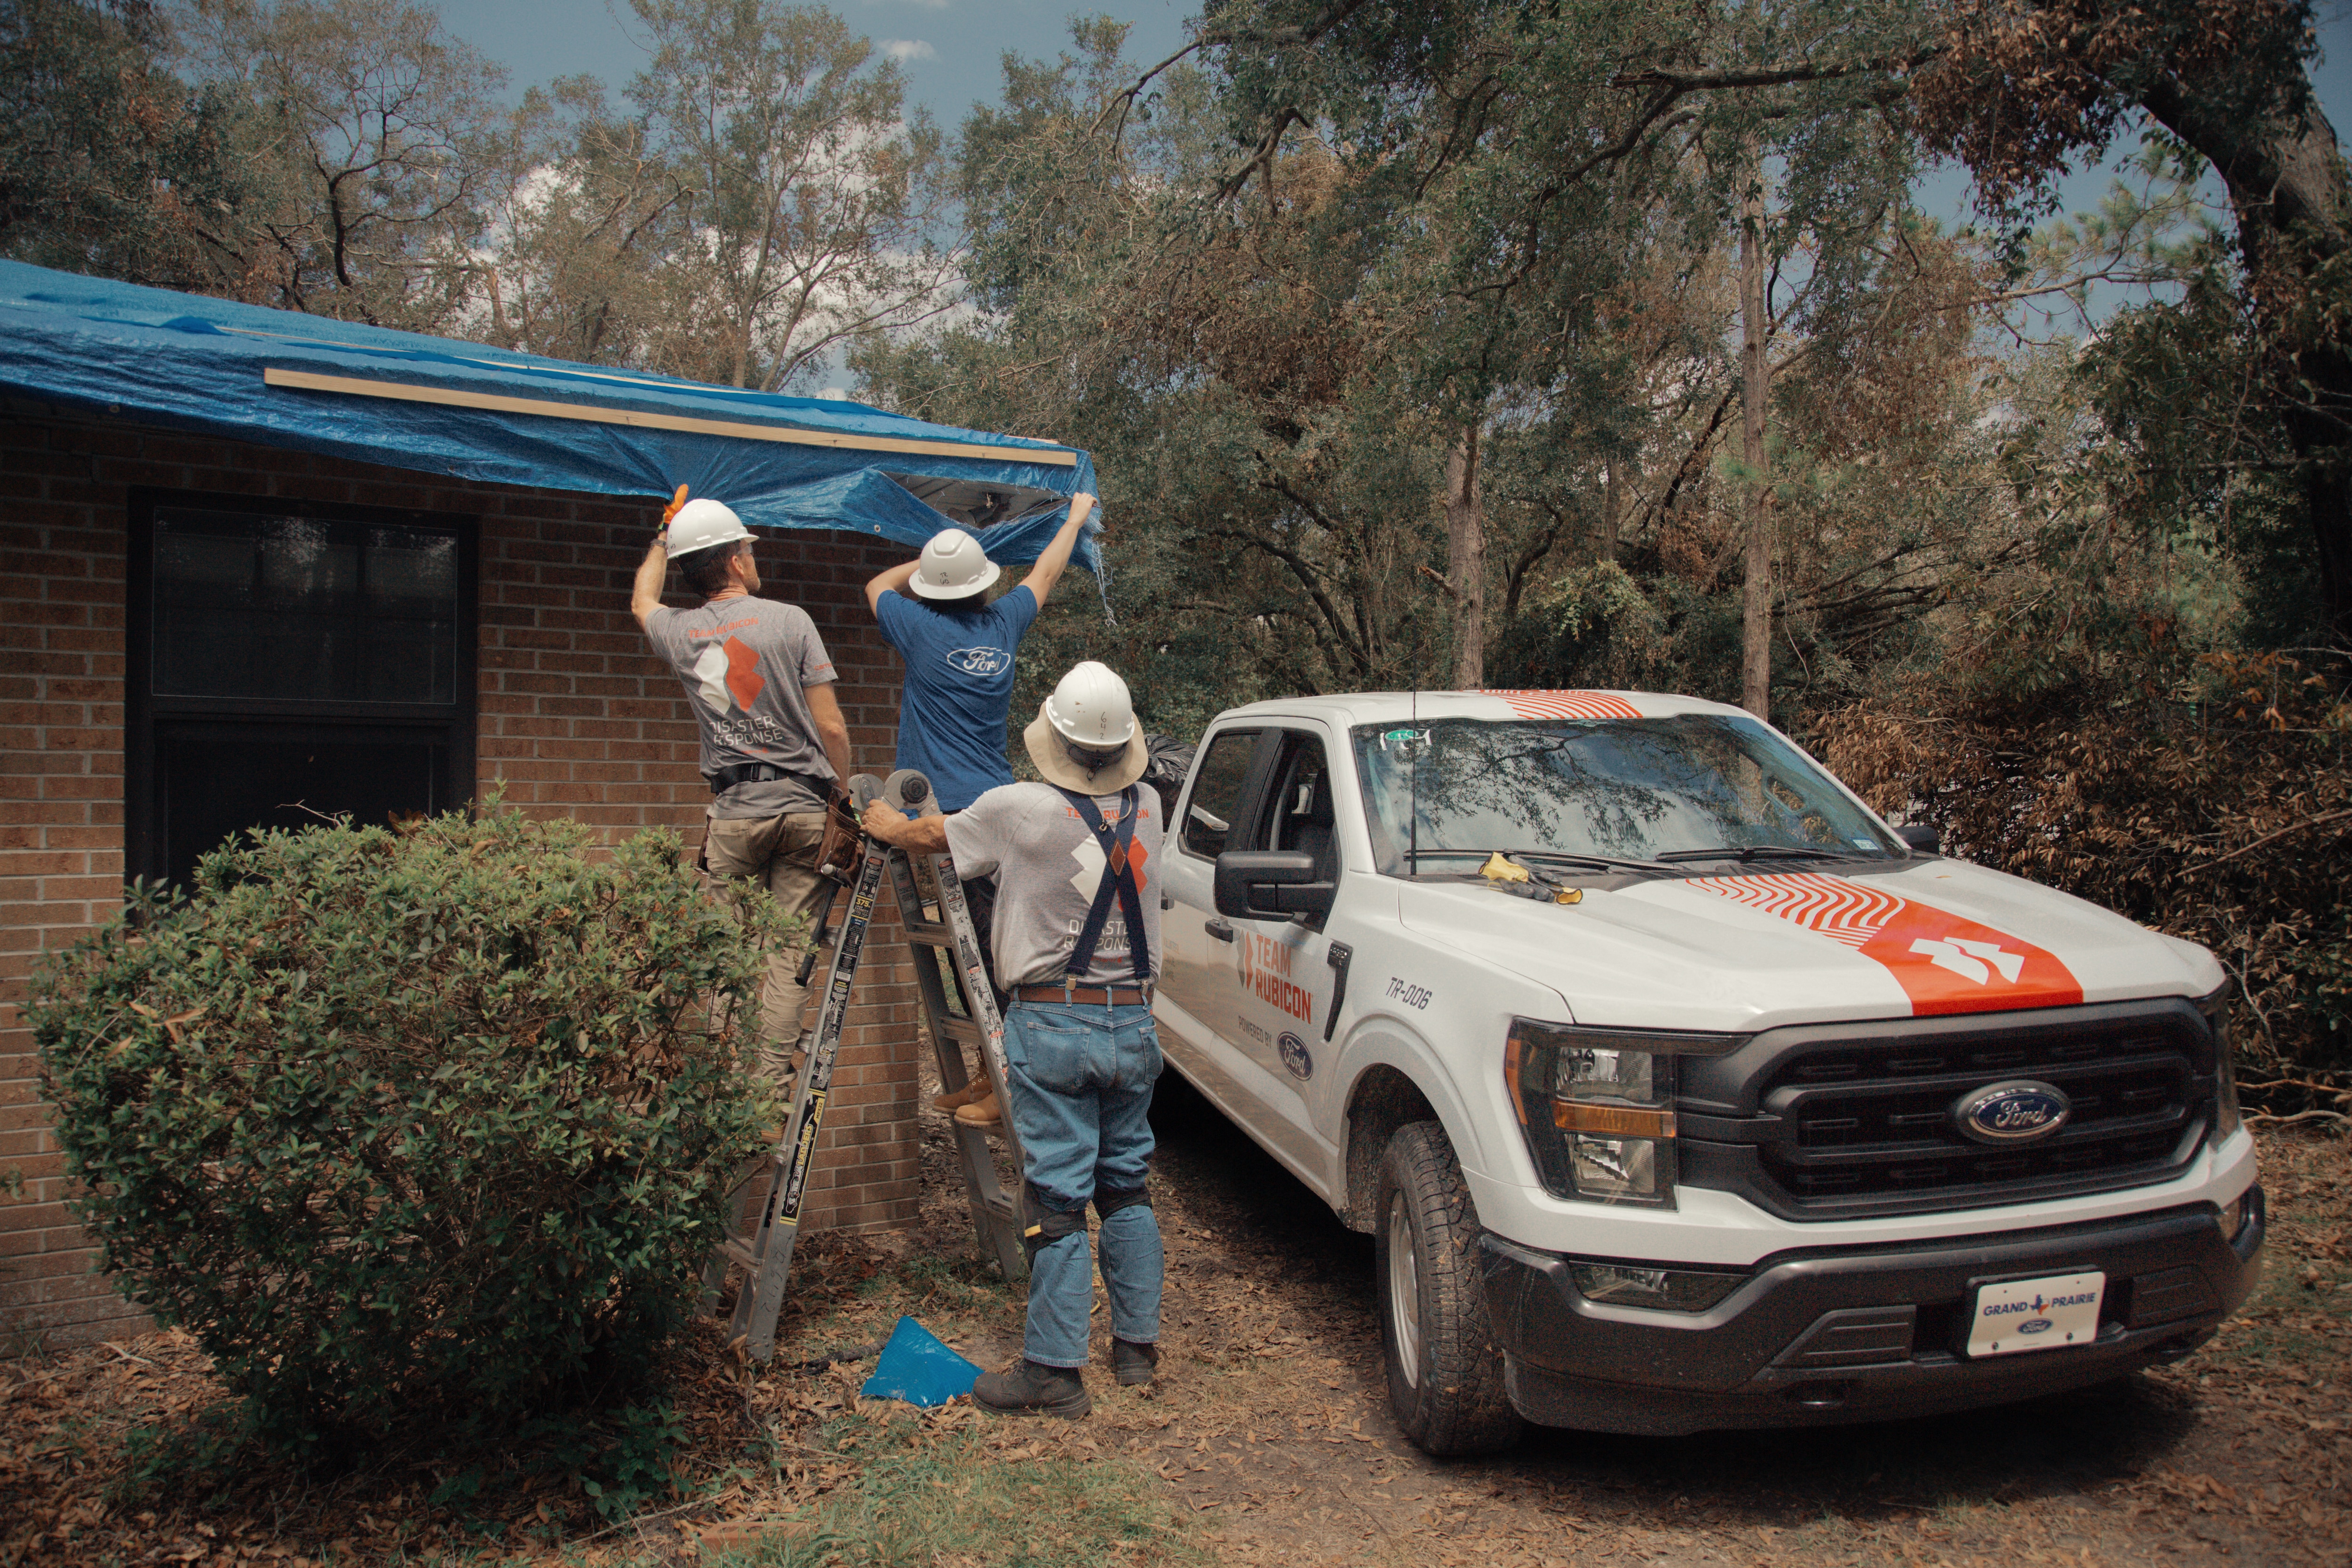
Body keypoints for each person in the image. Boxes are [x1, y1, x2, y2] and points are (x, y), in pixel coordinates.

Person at [861, 660, 1164, 1418]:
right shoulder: (1150, 805)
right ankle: (1136, 1349)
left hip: (1054, 1021)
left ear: (1054, 738)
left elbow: (929, 836)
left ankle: (1053, 1372)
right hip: (1134, 1019)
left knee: (1057, 1194)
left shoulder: (1017, 808)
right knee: (1127, 1183)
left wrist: (885, 823)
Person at [864, 493, 1098, 1127]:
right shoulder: (1004, 625)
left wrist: (926, 552)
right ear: (984, 586)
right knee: (977, 951)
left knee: (992, 959)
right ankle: (988, 1070)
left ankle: (1009, 1084)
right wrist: (1073, 520)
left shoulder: (917, 627)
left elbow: (875, 585)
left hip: (948, 818)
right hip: (994, 809)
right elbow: (1045, 572)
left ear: (930, 591)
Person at [633, 492, 850, 1088]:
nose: (754, 557)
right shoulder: (790, 620)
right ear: (733, 560)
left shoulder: (679, 633)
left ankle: (723, 1085)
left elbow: (641, 599)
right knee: (788, 957)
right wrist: (841, 794)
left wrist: (663, 532)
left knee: (724, 955)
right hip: (805, 809)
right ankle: (769, 1081)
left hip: (733, 815)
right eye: (747, 548)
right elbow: (829, 725)